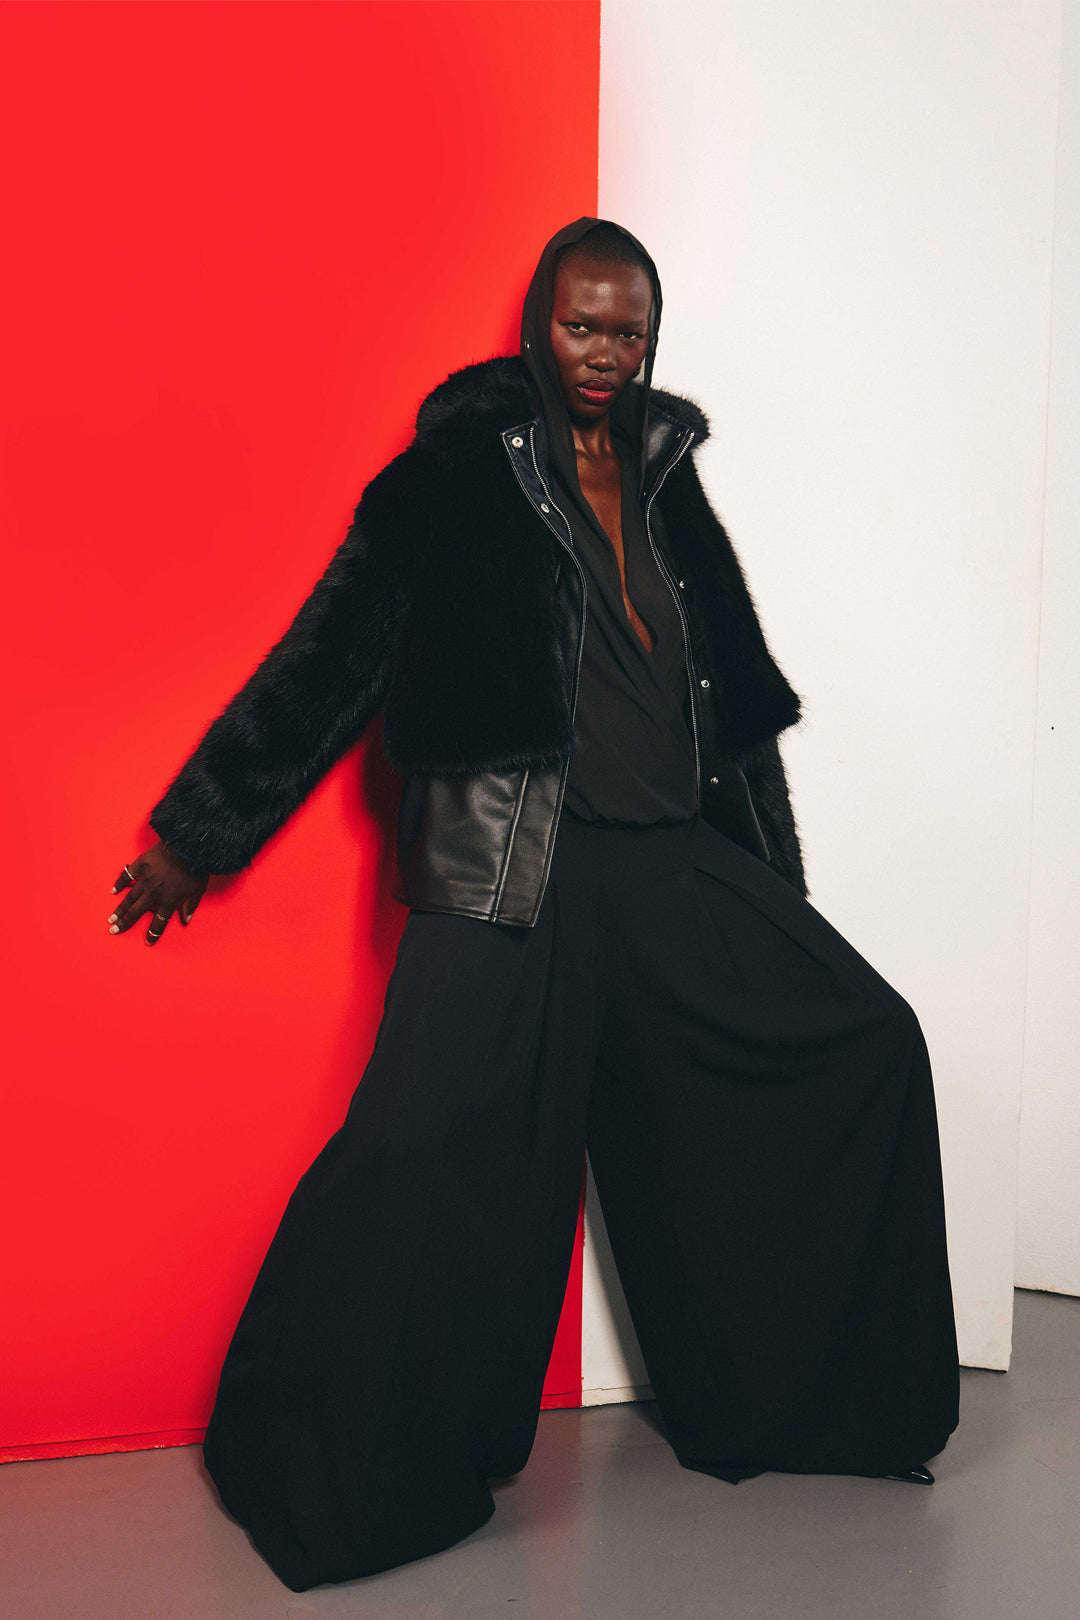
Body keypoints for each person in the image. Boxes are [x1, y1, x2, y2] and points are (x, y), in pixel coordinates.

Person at [108, 218, 960, 1591]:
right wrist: (203, 833)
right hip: (515, 863)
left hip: (669, 865)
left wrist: (770, 892)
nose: (606, 353)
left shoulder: (668, 475)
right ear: (537, 325)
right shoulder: (458, 474)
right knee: (419, 1148)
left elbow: (734, 707)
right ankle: (316, 1451)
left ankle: (805, 1404)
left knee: (867, 1037)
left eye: (629, 331)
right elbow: (332, 654)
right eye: (582, 325)